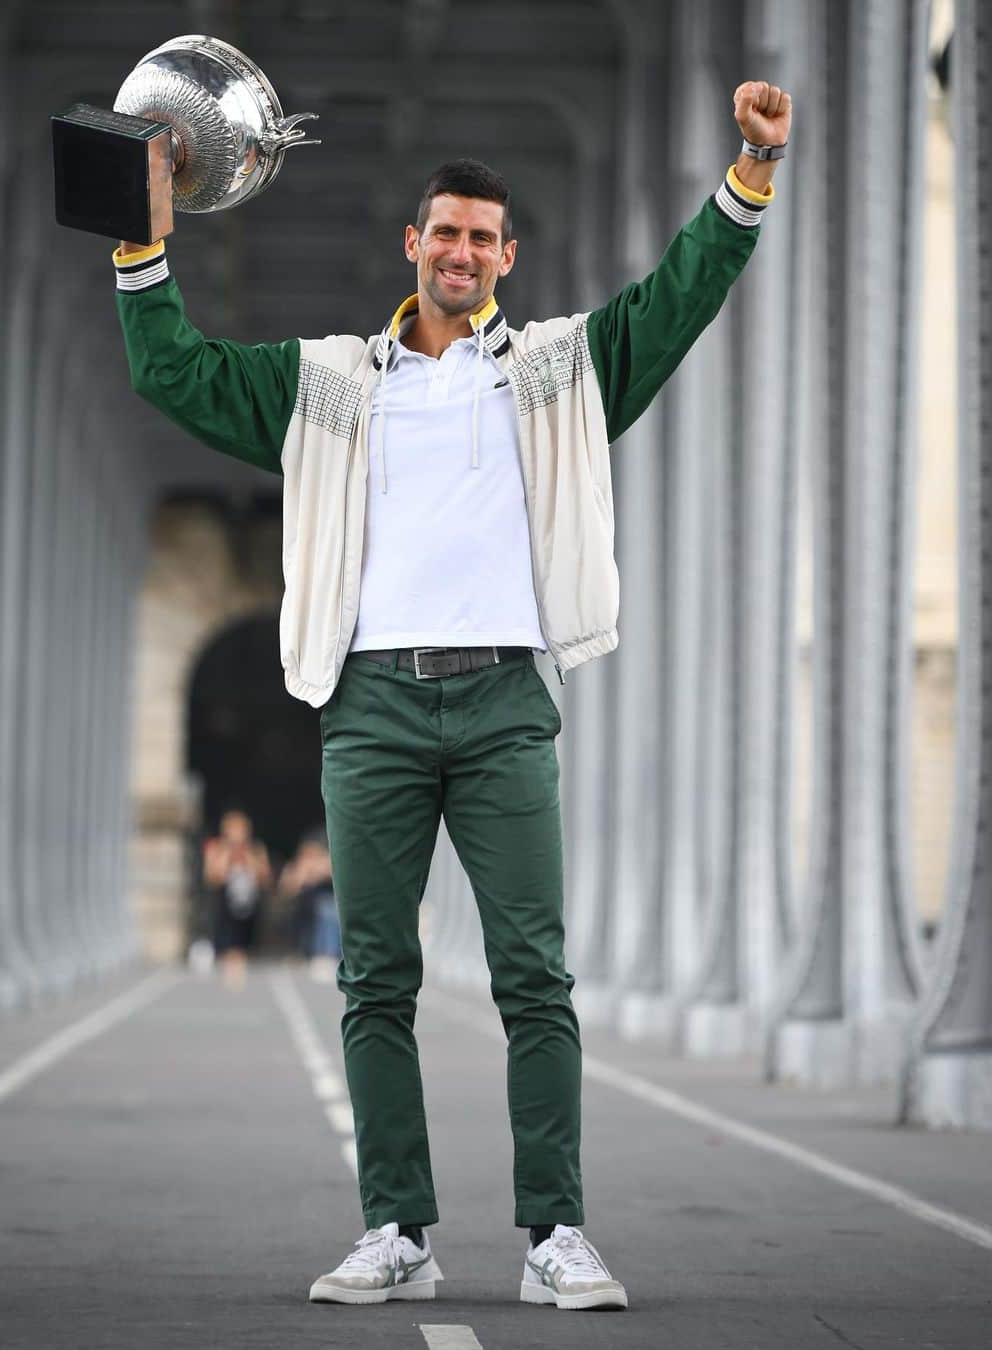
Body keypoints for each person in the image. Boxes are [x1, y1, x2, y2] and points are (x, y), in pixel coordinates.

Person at [113, 80, 791, 1310]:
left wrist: (746, 179)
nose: (464, 253)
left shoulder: (555, 375)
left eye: (485, 237)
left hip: (503, 709)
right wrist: (142, 243)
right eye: (446, 233)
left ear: (508, 256)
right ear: (411, 246)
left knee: (536, 976)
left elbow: (674, 302)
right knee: (376, 979)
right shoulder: (329, 382)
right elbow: (180, 377)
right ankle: (397, 1231)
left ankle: (555, 1237)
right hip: (370, 705)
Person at [203, 809, 273, 985]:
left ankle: (240, 967)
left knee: (245, 947)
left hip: (249, 906)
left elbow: (265, 878)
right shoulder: (217, 848)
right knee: (229, 947)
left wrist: (247, 856)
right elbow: (213, 878)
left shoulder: (256, 849)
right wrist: (229, 855)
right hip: (225, 905)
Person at [277, 825, 341, 979]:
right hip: (304, 915)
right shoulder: (298, 867)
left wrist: (323, 872)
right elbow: (284, 890)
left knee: (328, 910)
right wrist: (301, 877)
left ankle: (328, 954)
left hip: (331, 908)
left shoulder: (333, 864)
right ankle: (299, 953)